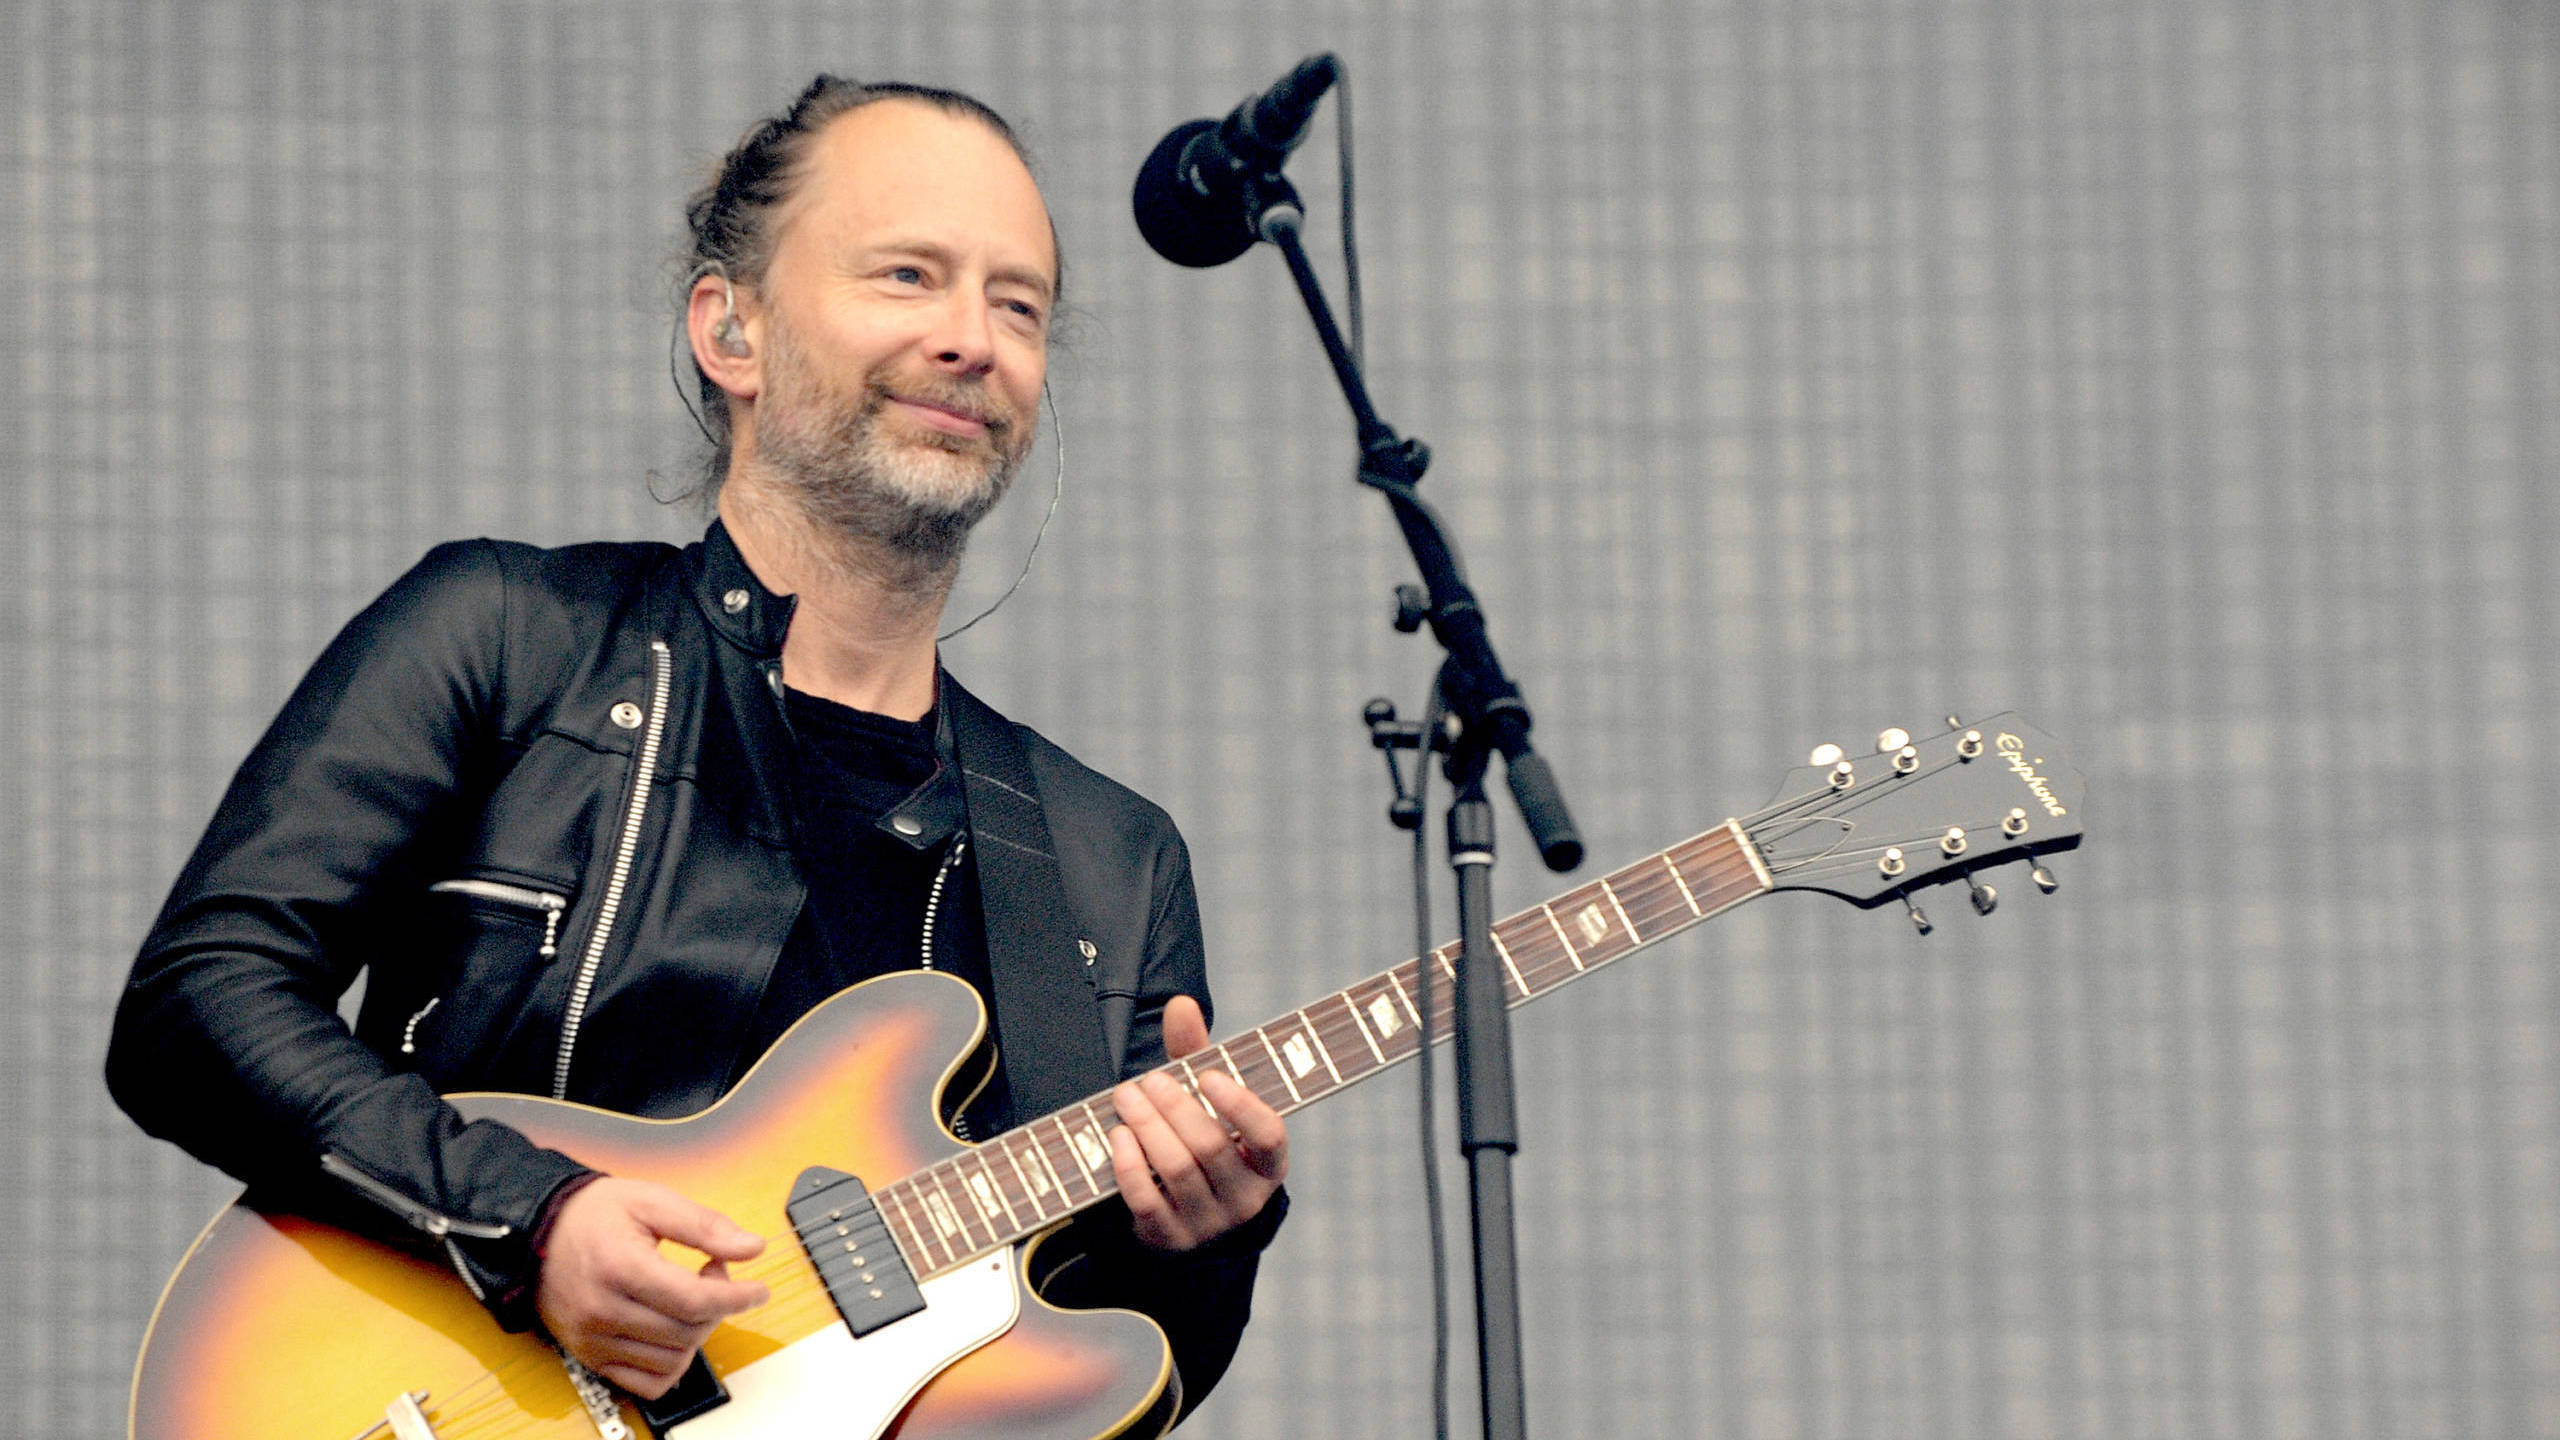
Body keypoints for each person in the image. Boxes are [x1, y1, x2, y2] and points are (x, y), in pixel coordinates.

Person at [107, 77, 1287, 1422]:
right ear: (732, 328)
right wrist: (531, 1218)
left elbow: (1106, 1377)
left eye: (1018, 305)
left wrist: (1202, 1240)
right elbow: (199, 1001)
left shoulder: (1107, 859)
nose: (973, 338)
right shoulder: (512, 635)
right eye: (909, 275)